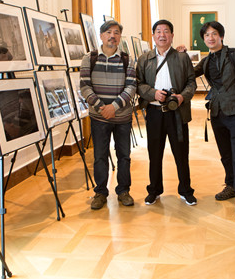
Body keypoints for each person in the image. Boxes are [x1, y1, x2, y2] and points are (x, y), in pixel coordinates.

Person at [194, 21, 235, 216]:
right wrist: (179, 55)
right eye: (207, 35)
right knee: (225, 154)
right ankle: (230, 185)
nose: (210, 38)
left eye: (214, 34)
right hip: (217, 113)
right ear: (203, 39)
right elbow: (188, 74)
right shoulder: (205, 61)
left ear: (221, 36)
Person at [136, 19, 197, 206]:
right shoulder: (144, 59)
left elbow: (191, 83)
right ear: (153, 36)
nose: (162, 35)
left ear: (172, 35)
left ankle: (186, 190)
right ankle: (154, 190)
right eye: (158, 31)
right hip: (154, 112)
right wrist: (152, 93)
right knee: (154, 153)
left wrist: (181, 97)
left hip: (176, 112)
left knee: (181, 153)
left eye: (166, 31)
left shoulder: (182, 57)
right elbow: (138, 84)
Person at [80, 20, 136, 210]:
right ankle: (100, 192)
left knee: (124, 156)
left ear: (120, 37)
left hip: (123, 118)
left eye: (117, 33)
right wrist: (102, 107)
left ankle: (123, 191)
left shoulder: (127, 59)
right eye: (109, 32)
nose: (113, 36)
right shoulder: (89, 58)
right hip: (99, 117)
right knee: (100, 156)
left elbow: (131, 87)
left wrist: (113, 106)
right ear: (101, 36)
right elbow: (84, 86)